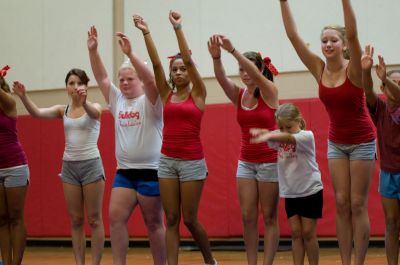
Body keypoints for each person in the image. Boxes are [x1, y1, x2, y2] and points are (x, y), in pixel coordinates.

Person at [279, 1, 376, 264]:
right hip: (337, 142)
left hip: (362, 141)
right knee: (342, 203)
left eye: (333, 40)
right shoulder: (318, 68)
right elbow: (292, 36)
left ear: (343, 45)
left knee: (357, 204)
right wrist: (283, 2)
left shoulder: (353, 67)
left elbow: (354, 33)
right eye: (324, 41)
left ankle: (358, 262)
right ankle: (345, 261)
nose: (328, 45)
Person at [132, 11, 217, 265]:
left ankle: (210, 261)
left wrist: (178, 28)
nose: (179, 72)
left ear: (190, 73)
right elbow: (157, 65)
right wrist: (146, 32)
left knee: (189, 219)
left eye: (183, 69)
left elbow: (189, 60)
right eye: (175, 70)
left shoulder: (199, 94)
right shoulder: (167, 94)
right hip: (167, 162)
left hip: (192, 163)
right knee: (171, 219)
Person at [87, 26, 166, 265]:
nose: (123, 83)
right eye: (121, 79)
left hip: (150, 171)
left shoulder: (152, 100)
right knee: (115, 217)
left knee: (154, 223)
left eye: (129, 78)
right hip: (125, 172)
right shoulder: (117, 99)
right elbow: (102, 78)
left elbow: (152, 79)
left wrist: (131, 54)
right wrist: (93, 51)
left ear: (139, 81)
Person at [12, 68, 105, 265]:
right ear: (66, 87)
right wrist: (24, 96)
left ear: (86, 86)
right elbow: (36, 113)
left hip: (91, 166)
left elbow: (96, 113)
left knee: (95, 219)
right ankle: (79, 262)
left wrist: (85, 100)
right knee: (76, 220)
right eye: (71, 83)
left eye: (79, 83)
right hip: (69, 168)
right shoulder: (61, 110)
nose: (75, 87)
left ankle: (95, 263)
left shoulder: (93, 105)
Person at [207, 34, 279, 265]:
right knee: (248, 216)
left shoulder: (269, 91)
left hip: (270, 162)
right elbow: (220, 78)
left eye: (248, 68)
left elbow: (257, 75)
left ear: (259, 69)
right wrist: (217, 58)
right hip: (246, 163)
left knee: (268, 216)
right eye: (240, 69)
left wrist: (233, 50)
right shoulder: (240, 95)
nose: (245, 73)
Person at [251, 103, 323, 265]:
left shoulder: (306, 136)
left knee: (308, 233)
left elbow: (288, 138)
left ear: (298, 121)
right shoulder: (279, 135)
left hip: (310, 190)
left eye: (288, 127)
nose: (284, 131)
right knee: (296, 233)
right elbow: (278, 135)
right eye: (281, 127)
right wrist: (264, 132)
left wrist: (268, 135)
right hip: (291, 192)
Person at [361, 45, 400, 265]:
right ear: (383, 87)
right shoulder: (382, 110)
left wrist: (388, 78)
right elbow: (368, 93)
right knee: (392, 224)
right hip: (388, 175)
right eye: (388, 83)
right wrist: (367, 72)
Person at [0, 66, 29, 265]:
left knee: (16, 218)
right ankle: (6, 262)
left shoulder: (8, 102)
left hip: (15, 167)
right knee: (1, 219)